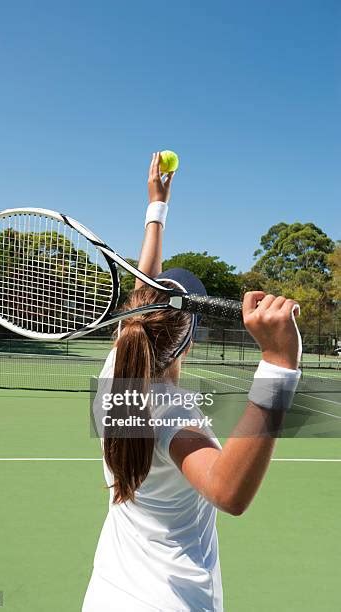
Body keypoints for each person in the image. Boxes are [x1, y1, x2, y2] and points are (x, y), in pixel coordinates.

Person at [82, 153, 302, 612]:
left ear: (136, 320)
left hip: (107, 596)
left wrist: (156, 208)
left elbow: (143, 302)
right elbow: (228, 491)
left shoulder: (115, 374)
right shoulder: (174, 415)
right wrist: (279, 364)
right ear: (191, 341)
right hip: (173, 602)